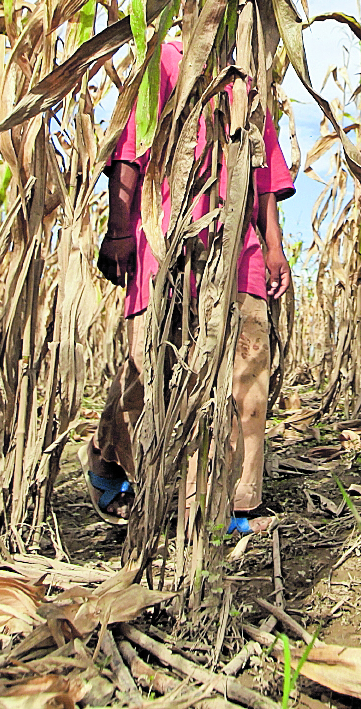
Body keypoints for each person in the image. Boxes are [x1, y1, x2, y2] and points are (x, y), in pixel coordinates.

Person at [89, 35, 295, 536]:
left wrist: (273, 247)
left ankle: (236, 503)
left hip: (236, 245)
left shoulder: (253, 85)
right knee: (150, 370)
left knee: (248, 372)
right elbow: (129, 154)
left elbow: (264, 179)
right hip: (165, 240)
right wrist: (120, 231)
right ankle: (119, 464)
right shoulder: (165, 58)